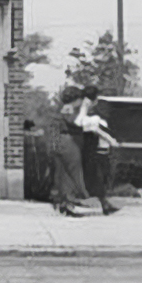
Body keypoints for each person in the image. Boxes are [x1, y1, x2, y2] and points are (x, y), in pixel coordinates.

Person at [77, 86, 120, 215]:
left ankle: (104, 203)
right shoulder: (85, 115)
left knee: (100, 177)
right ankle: (104, 204)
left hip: (94, 150)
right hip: (93, 152)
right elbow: (88, 126)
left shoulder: (91, 116)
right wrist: (110, 139)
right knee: (98, 177)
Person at [51, 86, 92, 217]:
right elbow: (77, 122)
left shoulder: (64, 108)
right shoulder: (69, 108)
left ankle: (63, 203)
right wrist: (85, 108)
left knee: (64, 173)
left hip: (62, 141)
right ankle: (68, 203)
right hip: (69, 142)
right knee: (72, 172)